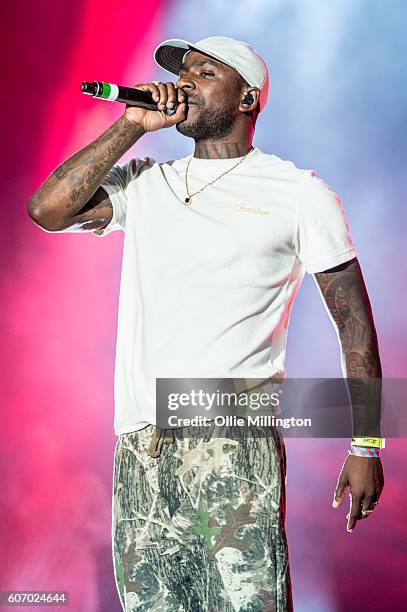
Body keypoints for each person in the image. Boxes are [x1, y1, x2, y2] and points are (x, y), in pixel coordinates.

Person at [28, 36, 384, 612]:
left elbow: (355, 327)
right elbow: (47, 210)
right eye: (181, 71)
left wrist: (366, 443)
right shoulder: (146, 182)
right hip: (142, 446)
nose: (185, 81)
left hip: (232, 439)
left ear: (246, 98)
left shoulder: (299, 194)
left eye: (204, 71)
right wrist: (132, 126)